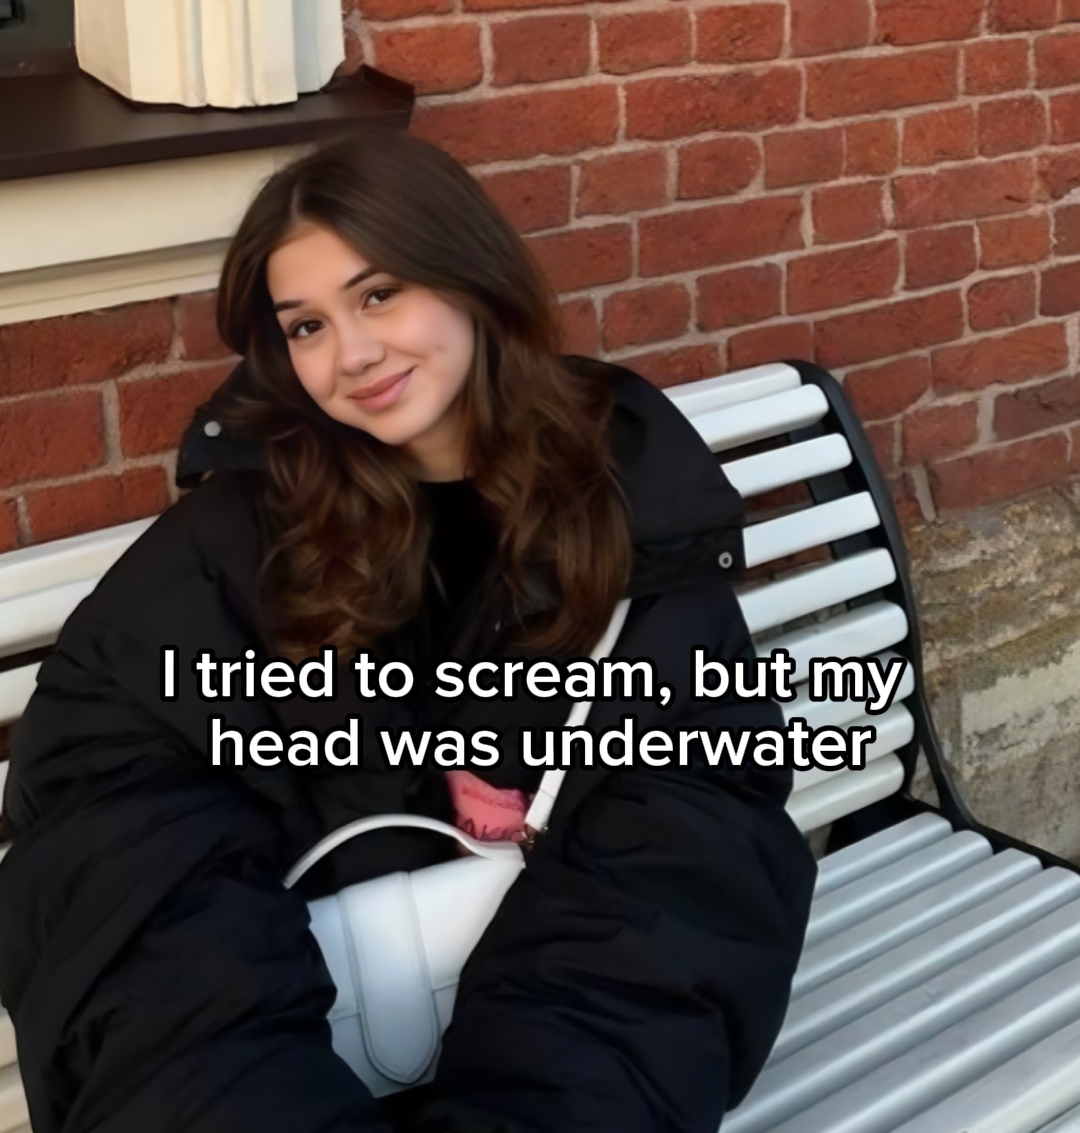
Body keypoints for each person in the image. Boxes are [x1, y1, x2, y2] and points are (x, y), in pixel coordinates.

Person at [0, 126, 816, 1133]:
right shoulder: (246, 534)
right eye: (306, 326)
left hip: (568, 1042)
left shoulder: (623, 510)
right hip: (283, 1054)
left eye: (380, 294)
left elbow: (685, 843)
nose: (351, 355)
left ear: (472, 278)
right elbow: (114, 833)